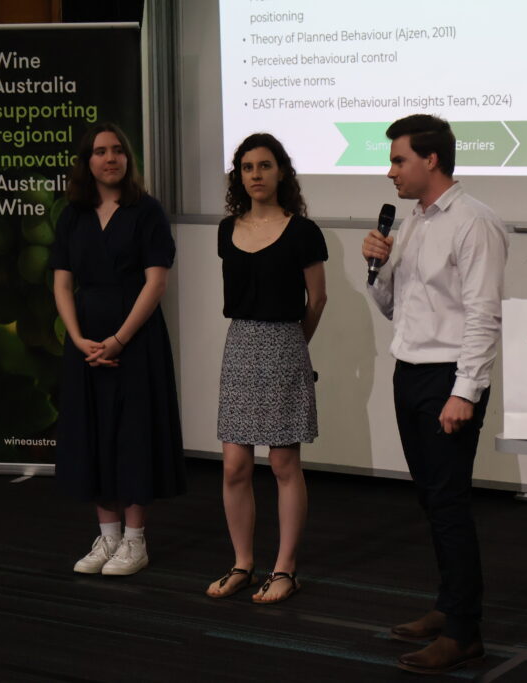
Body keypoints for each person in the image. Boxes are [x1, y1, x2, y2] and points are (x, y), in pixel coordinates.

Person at [362, 114, 508, 674]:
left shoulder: (474, 222)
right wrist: (376, 269)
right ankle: (449, 606)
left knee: (448, 504)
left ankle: (465, 633)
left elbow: (484, 315)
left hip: (449, 378)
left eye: (398, 159)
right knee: (430, 499)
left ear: (431, 160)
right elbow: (395, 308)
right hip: (411, 371)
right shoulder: (415, 222)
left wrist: (465, 391)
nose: (391, 171)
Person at [50, 122, 185, 576]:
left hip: (136, 339)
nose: (110, 158)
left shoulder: (147, 211)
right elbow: (62, 283)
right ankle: (107, 537)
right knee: (94, 431)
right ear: (87, 161)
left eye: (117, 150)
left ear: (127, 158)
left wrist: (120, 339)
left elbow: (156, 282)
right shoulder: (72, 215)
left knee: (133, 433)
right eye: (100, 151)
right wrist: (76, 337)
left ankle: (134, 541)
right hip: (86, 340)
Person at [205, 133, 327, 604]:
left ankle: (285, 569)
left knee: (282, 463)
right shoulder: (225, 229)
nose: (256, 174)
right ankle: (242, 563)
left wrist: (293, 347)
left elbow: (317, 299)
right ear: (239, 175)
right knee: (235, 465)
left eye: (265, 165)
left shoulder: (303, 231)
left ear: (281, 172)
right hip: (239, 345)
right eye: (247, 167)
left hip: (284, 345)